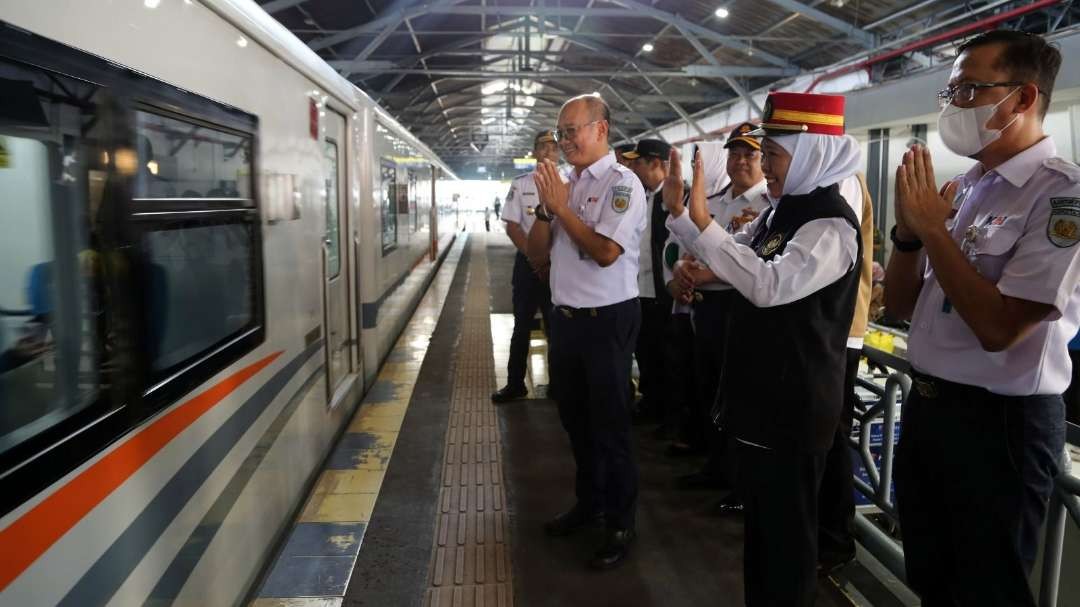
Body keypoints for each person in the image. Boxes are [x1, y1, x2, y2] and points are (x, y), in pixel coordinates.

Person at [885, 30, 1075, 606]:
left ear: (1021, 98)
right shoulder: (967, 188)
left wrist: (935, 230)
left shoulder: (1059, 196)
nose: (953, 105)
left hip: (1000, 430)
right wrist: (907, 235)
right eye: (950, 92)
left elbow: (999, 328)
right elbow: (900, 307)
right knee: (933, 579)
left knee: (987, 590)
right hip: (932, 410)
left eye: (969, 89)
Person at [668, 91, 862, 606]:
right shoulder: (783, 213)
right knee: (764, 539)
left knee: (788, 545)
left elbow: (768, 285)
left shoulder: (829, 224)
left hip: (794, 406)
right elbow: (738, 264)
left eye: (773, 156)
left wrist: (704, 222)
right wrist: (685, 219)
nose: (765, 167)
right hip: (765, 401)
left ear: (812, 155)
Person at [527, 92, 646, 570]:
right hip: (568, 321)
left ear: (601, 129)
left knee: (611, 425)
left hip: (607, 321)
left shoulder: (624, 185)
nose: (564, 140)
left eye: (572, 130)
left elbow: (604, 252)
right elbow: (538, 254)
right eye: (561, 133)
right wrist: (543, 210)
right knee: (575, 420)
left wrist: (563, 208)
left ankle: (620, 520)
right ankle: (589, 502)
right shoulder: (566, 184)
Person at [669, 124, 769, 504]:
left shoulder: (767, 207)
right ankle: (716, 467)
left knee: (738, 397)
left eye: (751, 155)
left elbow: (755, 264)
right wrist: (681, 271)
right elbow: (689, 247)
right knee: (708, 389)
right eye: (735, 154)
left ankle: (741, 484)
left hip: (737, 309)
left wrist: (704, 272)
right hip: (705, 308)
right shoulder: (714, 200)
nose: (741, 161)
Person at [817, 171, 875, 573]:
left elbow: (829, 257)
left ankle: (835, 541)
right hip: (818, 330)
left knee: (830, 438)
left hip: (836, 330)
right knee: (817, 436)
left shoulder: (842, 180)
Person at [491, 130, 559, 403]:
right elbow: (512, 226)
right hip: (528, 264)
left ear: (559, 151)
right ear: (534, 151)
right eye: (542, 146)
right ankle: (514, 383)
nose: (548, 150)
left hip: (559, 266)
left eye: (553, 146)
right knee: (522, 325)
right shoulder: (521, 184)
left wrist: (548, 260)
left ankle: (559, 384)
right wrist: (534, 257)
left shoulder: (570, 182)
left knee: (557, 327)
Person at [623, 139, 675, 421]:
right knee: (646, 351)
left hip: (664, 292)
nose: (632, 167)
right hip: (641, 290)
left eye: (637, 162)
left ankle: (667, 411)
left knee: (666, 353)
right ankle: (651, 403)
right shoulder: (644, 196)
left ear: (655, 163)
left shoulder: (674, 198)